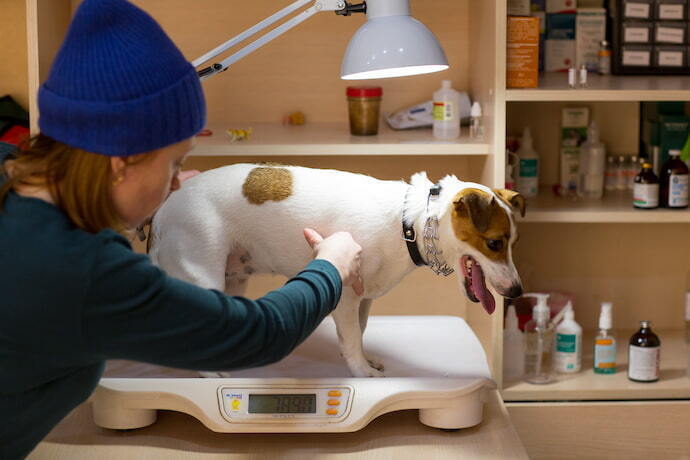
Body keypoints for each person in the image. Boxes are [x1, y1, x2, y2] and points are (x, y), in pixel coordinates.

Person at [0, 0, 364, 457]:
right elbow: (256, 334)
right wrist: (329, 267)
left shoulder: (13, 176)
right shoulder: (84, 272)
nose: (177, 181)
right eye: (174, 162)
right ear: (121, 161)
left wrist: (139, 207)